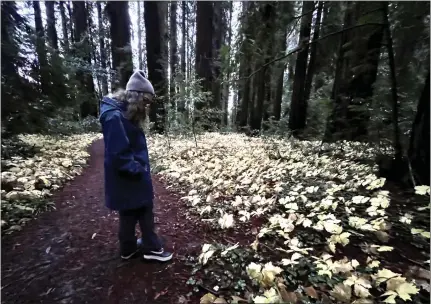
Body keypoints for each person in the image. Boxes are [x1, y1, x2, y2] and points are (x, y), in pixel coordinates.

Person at [99, 70, 173, 262]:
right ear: (137, 98)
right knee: (144, 207)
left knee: (129, 209)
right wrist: (138, 169)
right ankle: (151, 248)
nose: (147, 107)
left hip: (125, 174)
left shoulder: (121, 112)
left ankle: (128, 248)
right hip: (128, 172)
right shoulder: (114, 116)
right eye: (146, 102)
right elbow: (119, 154)